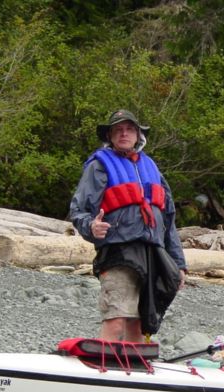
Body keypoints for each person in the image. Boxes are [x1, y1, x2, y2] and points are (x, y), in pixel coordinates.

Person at [70, 109, 187, 342]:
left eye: (129, 129)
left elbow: (168, 220)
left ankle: (134, 372)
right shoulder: (99, 166)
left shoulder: (152, 168)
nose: (124, 134)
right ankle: (101, 371)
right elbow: (78, 210)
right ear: (110, 136)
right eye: (118, 130)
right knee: (116, 320)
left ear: (138, 135)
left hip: (152, 253)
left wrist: (179, 264)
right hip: (117, 251)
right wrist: (91, 227)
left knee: (139, 323)